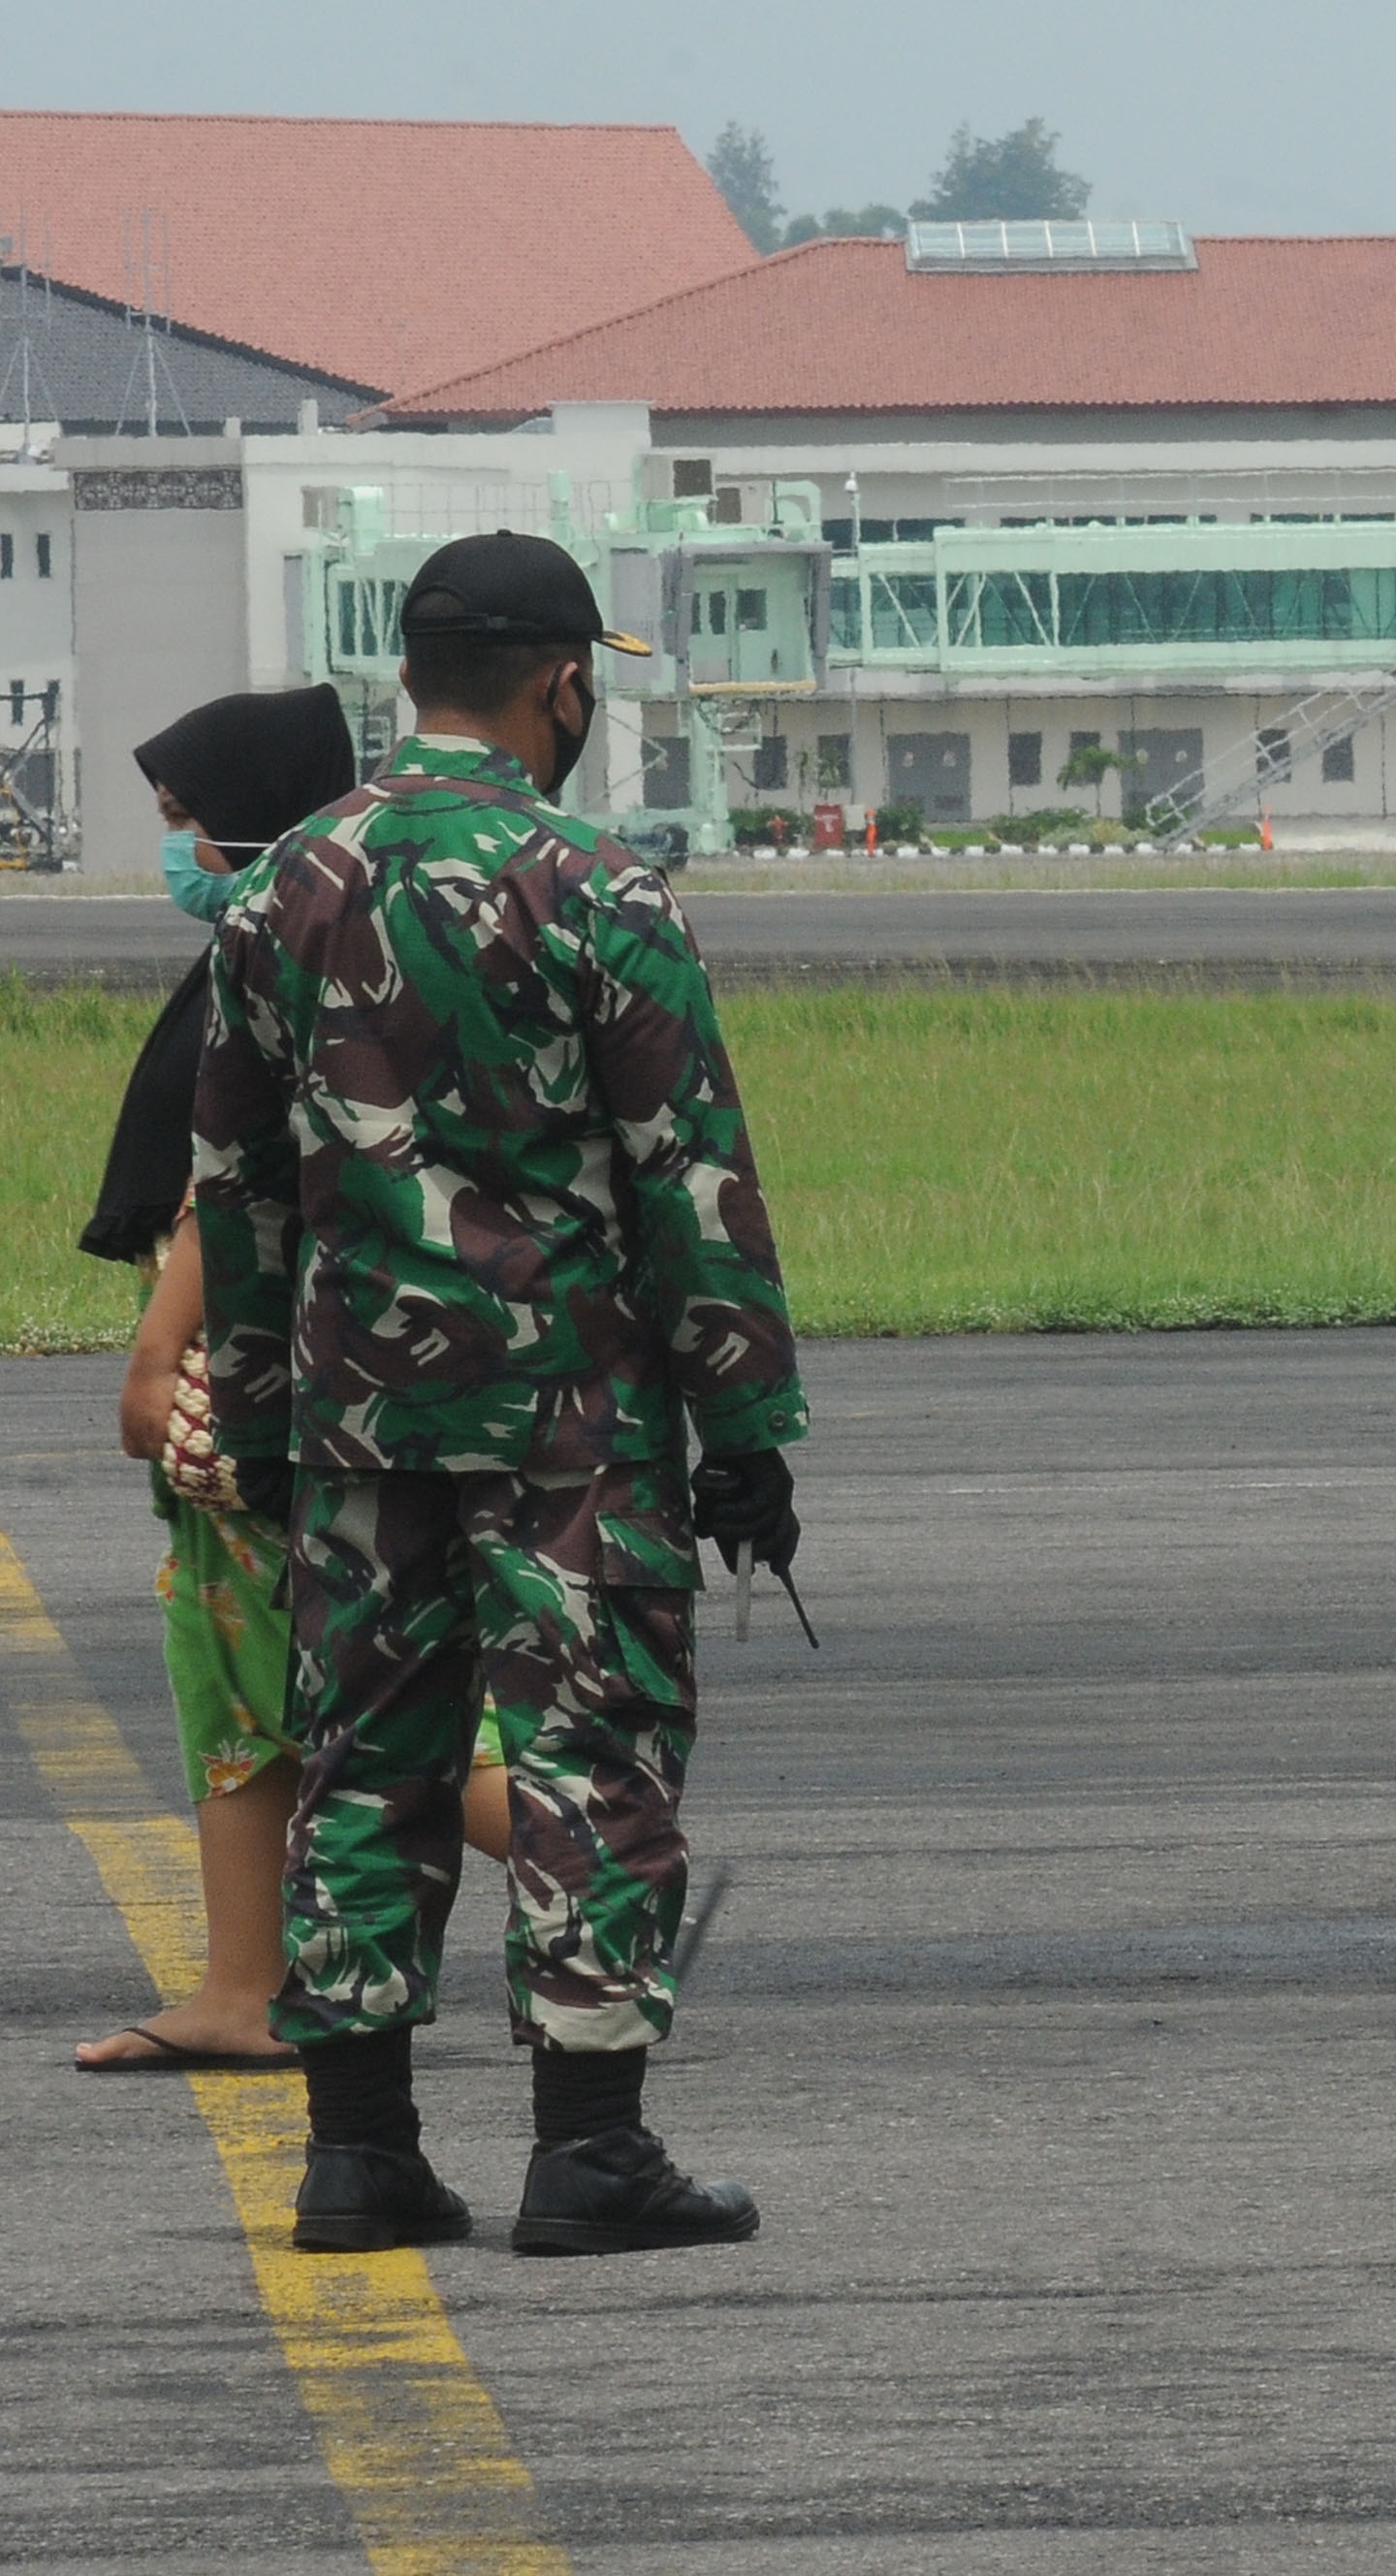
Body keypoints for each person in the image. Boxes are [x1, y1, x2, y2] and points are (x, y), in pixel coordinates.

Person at [194, 531, 811, 2251]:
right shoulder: (600, 886)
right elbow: (688, 1174)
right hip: (568, 1425)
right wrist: (746, 1429)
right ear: (563, 683)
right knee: (586, 1750)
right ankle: (589, 2147)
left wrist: (249, 1419)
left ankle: (359, 2148)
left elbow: (233, 1186)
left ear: (411, 679)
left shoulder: (281, 887)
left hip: (357, 1418)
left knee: (365, 1760)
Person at [67, 688, 532, 2074]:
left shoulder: (273, 952)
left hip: (255, 1365)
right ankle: (244, 1982)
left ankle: (610, 1898)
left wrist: (161, 1352)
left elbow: (237, 1176)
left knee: (351, 1683)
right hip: (285, 1355)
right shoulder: (313, 936)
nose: (176, 849)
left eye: (186, 822)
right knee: (262, 1683)